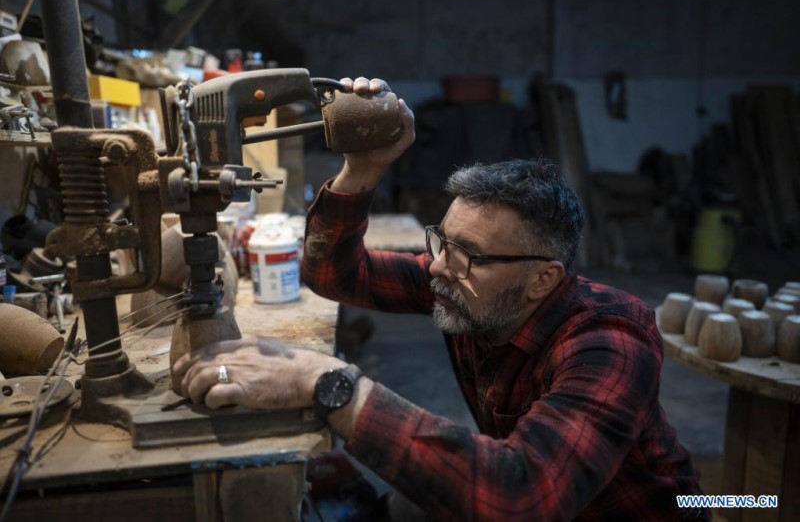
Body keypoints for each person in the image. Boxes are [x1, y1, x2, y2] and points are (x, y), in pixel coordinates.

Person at [174, 77, 707, 521]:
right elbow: (333, 273)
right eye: (442, 241)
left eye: (468, 254)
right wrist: (363, 169)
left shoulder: (610, 342)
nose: (438, 266)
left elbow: (521, 497)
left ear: (543, 279)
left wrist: (330, 383)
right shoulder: (467, 286)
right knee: (405, 504)